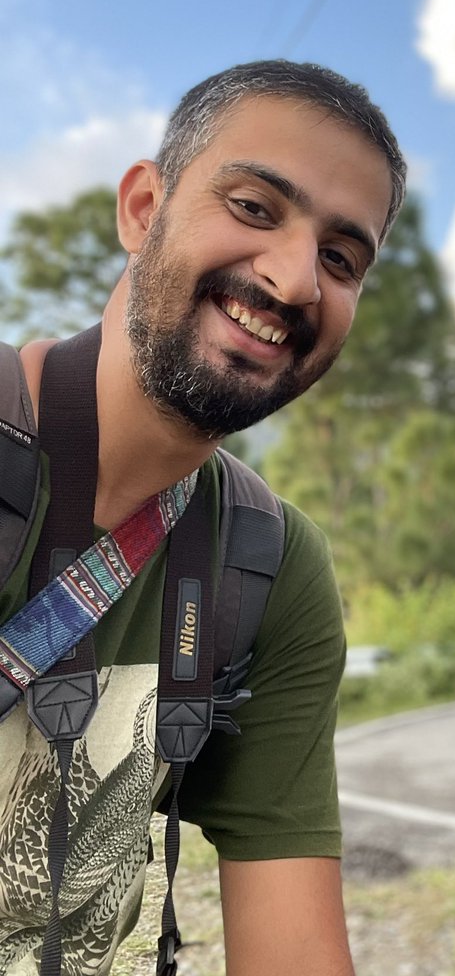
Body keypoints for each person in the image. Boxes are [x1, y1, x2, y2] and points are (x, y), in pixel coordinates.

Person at [0, 59, 406, 975]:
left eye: (342, 260)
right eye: (257, 208)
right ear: (143, 210)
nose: (296, 279)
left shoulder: (269, 567)